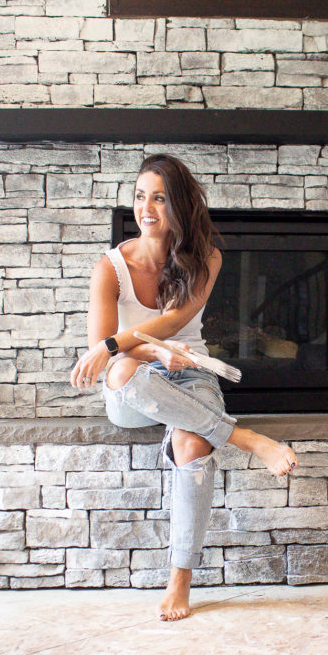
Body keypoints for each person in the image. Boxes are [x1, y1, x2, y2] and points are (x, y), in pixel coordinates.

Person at [70, 153, 298, 621]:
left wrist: (132, 347)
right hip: (134, 380)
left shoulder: (206, 256)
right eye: (139, 196)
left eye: (159, 197)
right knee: (120, 372)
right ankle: (244, 437)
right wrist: (148, 352)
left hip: (190, 373)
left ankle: (180, 579)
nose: (146, 207)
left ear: (180, 204)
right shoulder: (109, 268)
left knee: (193, 443)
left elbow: (175, 320)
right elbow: (108, 357)